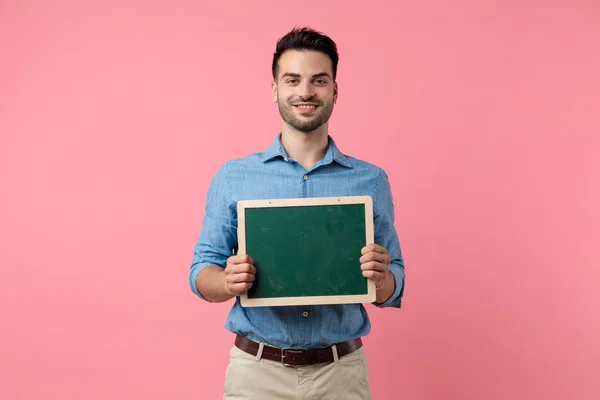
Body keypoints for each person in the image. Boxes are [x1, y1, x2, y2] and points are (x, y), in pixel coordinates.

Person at [189, 26, 405, 400]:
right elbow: (200, 272)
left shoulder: (370, 181)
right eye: (293, 80)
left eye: (319, 80)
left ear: (335, 90)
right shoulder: (234, 177)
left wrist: (381, 276)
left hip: (342, 375)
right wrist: (226, 281)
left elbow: (393, 283)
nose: (306, 92)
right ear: (275, 89)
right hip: (256, 374)